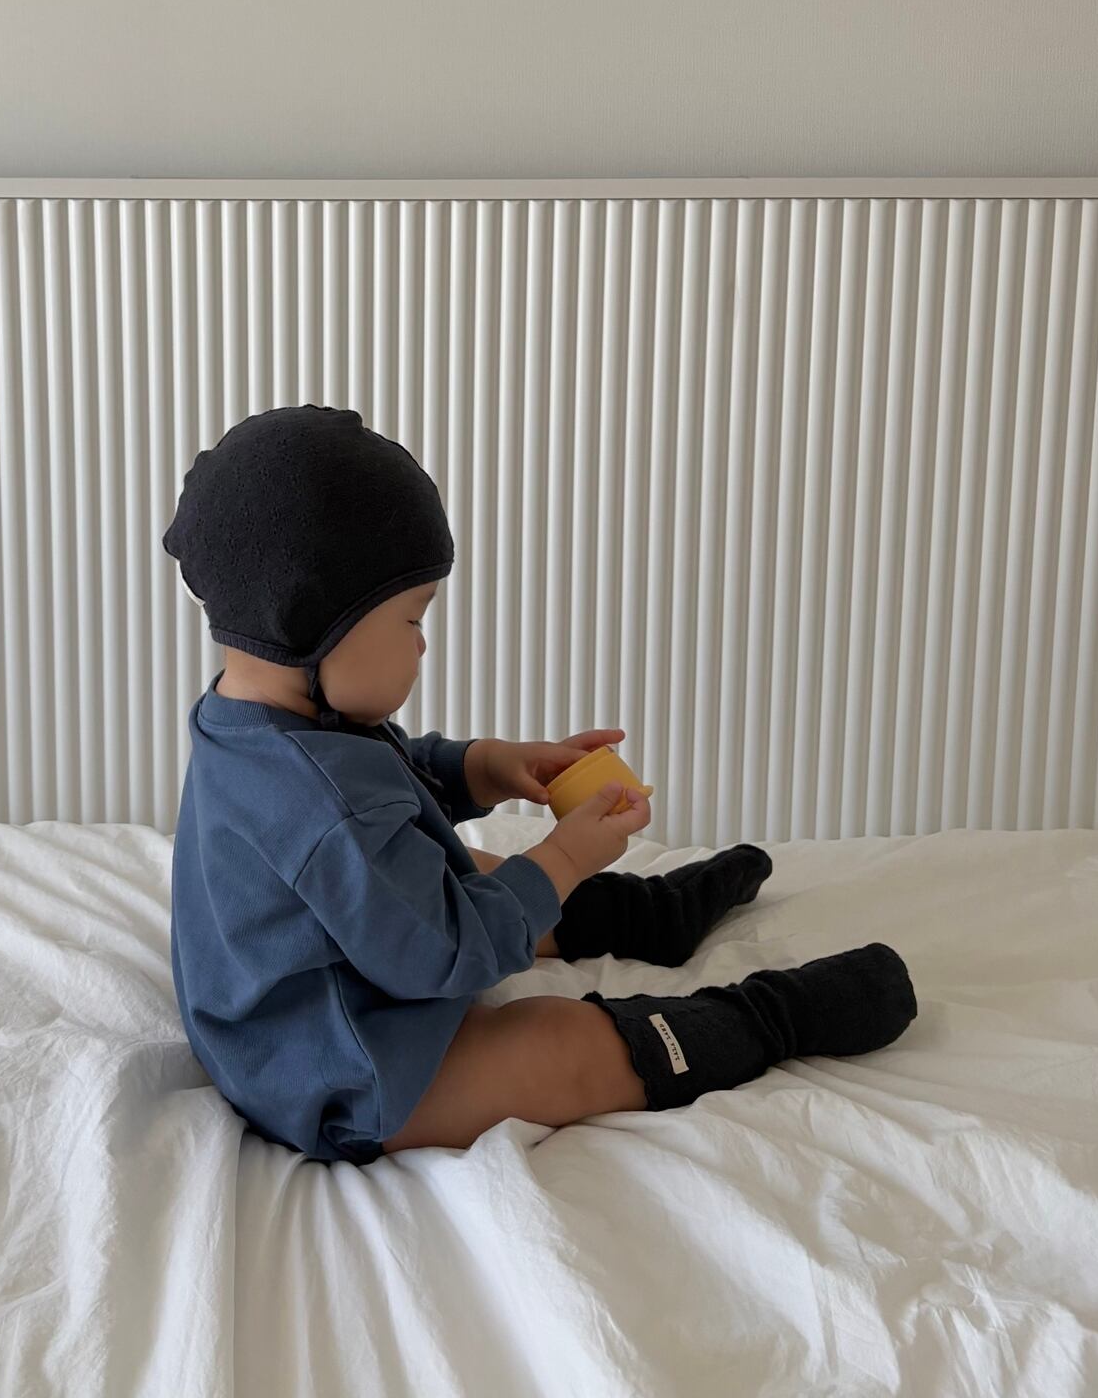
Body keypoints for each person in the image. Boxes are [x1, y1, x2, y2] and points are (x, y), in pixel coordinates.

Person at [164, 404, 917, 1163]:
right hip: (338, 1072)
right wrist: (563, 859)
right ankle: (767, 1018)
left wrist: (488, 766)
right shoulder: (321, 806)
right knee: (555, 1046)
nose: (422, 645)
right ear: (311, 626)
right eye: (412, 620)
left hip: (319, 980)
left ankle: (646, 918)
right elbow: (445, 949)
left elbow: (382, 780)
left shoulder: (261, 719)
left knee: (464, 869)